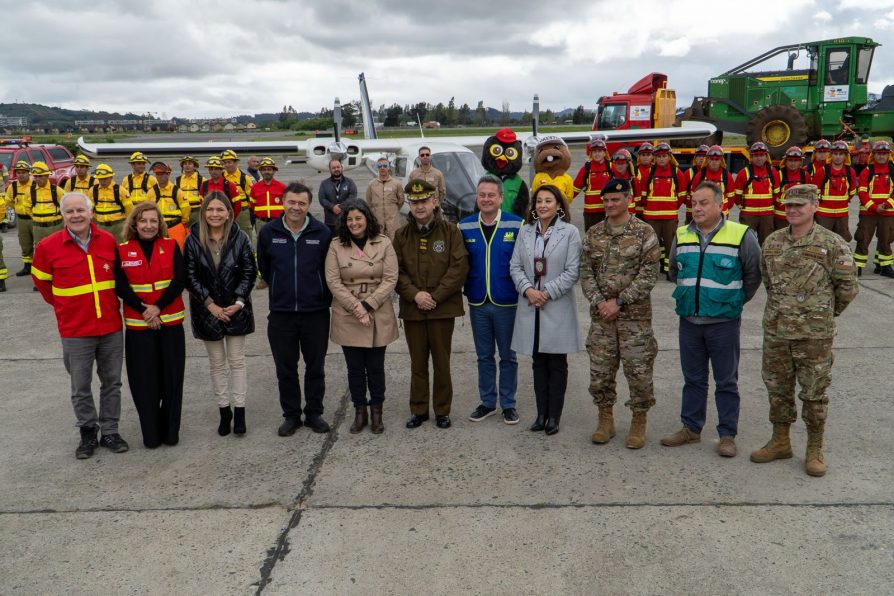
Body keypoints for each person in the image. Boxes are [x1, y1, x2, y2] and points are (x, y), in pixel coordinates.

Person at [751, 184, 858, 477]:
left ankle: (814, 448)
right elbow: (767, 280)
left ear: (814, 207)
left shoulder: (832, 243)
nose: (793, 210)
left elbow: (847, 287)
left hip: (814, 336)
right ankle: (780, 440)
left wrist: (821, 313)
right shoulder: (772, 242)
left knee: (814, 392)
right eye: (789, 205)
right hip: (777, 331)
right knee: (777, 388)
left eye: (799, 205)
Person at [660, 181, 762, 457]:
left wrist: (734, 302)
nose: (697, 208)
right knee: (693, 378)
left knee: (726, 380)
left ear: (720, 205)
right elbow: (673, 271)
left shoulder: (741, 234)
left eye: (704, 203)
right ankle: (691, 428)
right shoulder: (682, 234)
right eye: (694, 203)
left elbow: (753, 274)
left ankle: (727, 434)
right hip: (689, 322)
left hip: (723, 323)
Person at [31, 192, 129, 459]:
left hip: (109, 326)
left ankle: (110, 431)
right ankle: (88, 432)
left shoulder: (108, 240)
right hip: (75, 330)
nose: (76, 216)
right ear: (62, 215)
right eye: (70, 211)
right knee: (80, 387)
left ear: (91, 212)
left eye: (80, 211)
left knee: (112, 383)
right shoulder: (47, 247)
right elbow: (42, 284)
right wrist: (65, 308)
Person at [580, 178, 659, 448]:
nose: (609, 204)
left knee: (638, 373)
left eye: (615, 199)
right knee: (600, 372)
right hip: (602, 319)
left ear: (628, 199)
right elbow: (585, 272)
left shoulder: (643, 232)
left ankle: (638, 421)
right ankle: (605, 419)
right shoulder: (594, 233)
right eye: (606, 200)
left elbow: (649, 274)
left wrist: (620, 301)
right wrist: (600, 301)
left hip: (634, 320)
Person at [257, 182, 333, 435]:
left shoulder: (322, 233)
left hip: (316, 313)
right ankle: (291, 415)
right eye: (292, 202)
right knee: (286, 369)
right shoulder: (269, 232)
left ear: (308, 205)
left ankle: (314, 413)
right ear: (283, 202)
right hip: (282, 314)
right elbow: (265, 269)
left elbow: (328, 270)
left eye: (301, 203)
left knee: (315, 367)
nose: (296, 207)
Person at [393, 179, 469, 429]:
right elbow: (396, 271)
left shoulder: (451, 232)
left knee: (441, 361)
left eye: (424, 201)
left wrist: (434, 297)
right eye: (414, 202)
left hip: (441, 308)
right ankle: (418, 409)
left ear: (435, 202)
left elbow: (458, 268)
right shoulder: (401, 235)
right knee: (417, 363)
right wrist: (415, 295)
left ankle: (442, 410)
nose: (419, 206)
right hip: (413, 308)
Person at [509, 184, 581, 435]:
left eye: (548, 201)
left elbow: (573, 271)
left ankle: (554, 416)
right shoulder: (525, 231)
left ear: (559, 205)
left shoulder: (570, 233)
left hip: (556, 305)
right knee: (538, 361)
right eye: (538, 201)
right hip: (530, 305)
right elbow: (515, 266)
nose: (542, 205)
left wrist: (546, 293)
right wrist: (529, 290)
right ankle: (540, 414)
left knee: (556, 362)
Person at [183, 191, 256, 437]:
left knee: (237, 362)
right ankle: (225, 412)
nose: (215, 214)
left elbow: (249, 272)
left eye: (219, 210)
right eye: (210, 210)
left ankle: (241, 412)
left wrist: (238, 302)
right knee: (217, 364)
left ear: (228, 213)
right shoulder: (192, 239)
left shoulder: (241, 238)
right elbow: (190, 276)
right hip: (207, 312)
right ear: (204, 212)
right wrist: (210, 304)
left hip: (236, 309)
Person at [114, 202, 186, 448]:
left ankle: (171, 431)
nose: (148, 225)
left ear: (160, 224)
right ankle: (151, 433)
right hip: (138, 327)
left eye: (153, 221)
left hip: (170, 323)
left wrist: (158, 307)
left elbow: (180, 279)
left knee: (172, 380)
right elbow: (121, 286)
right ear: (134, 223)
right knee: (145, 383)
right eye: (143, 221)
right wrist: (146, 310)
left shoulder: (170, 245)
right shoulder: (122, 250)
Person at [325, 200, 398, 434]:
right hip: (348, 313)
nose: (354, 223)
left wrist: (368, 305)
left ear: (367, 218)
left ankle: (377, 412)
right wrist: (357, 307)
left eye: (358, 218)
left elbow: (390, 278)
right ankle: (360, 412)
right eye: (350, 219)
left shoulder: (384, 242)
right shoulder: (336, 245)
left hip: (377, 310)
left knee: (376, 367)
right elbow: (333, 281)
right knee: (354, 367)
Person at [459, 175, 523, 425]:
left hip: (507, 301)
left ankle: (508, 404)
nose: (486, 199)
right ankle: (488, 402)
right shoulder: (464, 226)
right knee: (484, 356)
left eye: (490, 195)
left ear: (500, 197)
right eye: (481, 195)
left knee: (508, 356)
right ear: (477, 197)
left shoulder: (516, 224)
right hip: (477, 302)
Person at [640, 142, 688, 276]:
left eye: (664, 156)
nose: (661, 159)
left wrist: (672, 207)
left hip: (670, 217)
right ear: (655, 157)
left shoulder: (676, 172)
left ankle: (669, 271)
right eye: (659, 156)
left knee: (670, 245)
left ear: (669, 157)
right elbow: (643, 194)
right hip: (651, 217)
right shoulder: (648, 173)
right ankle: (651, 271)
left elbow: (682, 194)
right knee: (651, 245)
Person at [855, 141, 894, 276]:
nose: (882, 156)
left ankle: (885, 266)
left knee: (886, 239)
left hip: (888, 213)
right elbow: (862, 192)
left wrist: (887, 205)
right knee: (863, 239)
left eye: (884, 154)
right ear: (874, 154)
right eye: (879, 154)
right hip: (868, 213)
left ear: (888, 155)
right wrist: (874, 207)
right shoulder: (868, 170)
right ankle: (858, 266)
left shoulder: (893, 170)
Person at [734, 141, 780, 245]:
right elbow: (737, 197)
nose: (759, 158)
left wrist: (768, 207)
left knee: (766, 243)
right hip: (748, 215)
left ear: (766, 156)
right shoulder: (744, 173)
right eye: (756, 156)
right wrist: (744, 208)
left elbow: (776, 194)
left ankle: (764, 261)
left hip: (767, 215)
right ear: (751, 157)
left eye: (762, 155)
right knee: (746, 243)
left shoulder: (773, 172)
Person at [816, 140, 857, 242]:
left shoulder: (850, 172)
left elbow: (852, 192)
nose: (838, 156)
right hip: (824, 215)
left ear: (845, 156)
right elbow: (815, 191)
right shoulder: (822, 171)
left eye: (841, 154)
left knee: (842, 242)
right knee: (822, 241)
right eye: (835, 154)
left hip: (842, 215)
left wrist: (842, 202)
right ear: (831, 155)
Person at [573, 137, 612, 231]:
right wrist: (562, 201)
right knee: (590, 237)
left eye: (600, 151)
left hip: (607, 210)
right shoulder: (586, 168)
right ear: (591, 153)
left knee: (607, 237)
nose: (597, 154)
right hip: (590, 212)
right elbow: (574, 189)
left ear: (604, 152)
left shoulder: (611, 167)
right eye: (594, 151)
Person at [149, 162, 191, 249]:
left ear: (168, 174)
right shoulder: (151, 192)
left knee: (179, 250)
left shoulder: (177, 191)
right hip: (158, 227)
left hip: (175, 226)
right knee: (159, 251)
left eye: (162, 174)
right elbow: (147, 210)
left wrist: (183, 222)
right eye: (157, 174)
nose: (159, 176)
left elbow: (186, 209)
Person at [688, 145, 736, 216]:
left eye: (717, 159)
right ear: (707, 160)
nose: (714, 162)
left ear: (721, 160)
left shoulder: (727, 176)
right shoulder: (700, 175)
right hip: (704, 216)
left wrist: (723, 208)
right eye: (712, 159)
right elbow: (693, 197)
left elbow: (731, 200)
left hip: (721, 216)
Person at [91, 163, 133, 242]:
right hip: (101, 227)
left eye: (105, 179)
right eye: (100, 179)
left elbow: (129, 211)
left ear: (111, 177)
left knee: (121, 249)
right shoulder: (93, 191)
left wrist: (129, 227)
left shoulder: (121, 190)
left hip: (118, 227)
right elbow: (90, 211)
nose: (102, 181)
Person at [365, 157, 404, 239]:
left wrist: (392, 209)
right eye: (379, 166)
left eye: (385, 166)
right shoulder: (371, 184)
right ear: (377, 168)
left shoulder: (396, 184)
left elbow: (401, 200)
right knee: (378, 243)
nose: (382, 168)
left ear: (389, 167)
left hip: (393, 221)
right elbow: (369, 202)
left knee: (394, 242)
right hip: (377, 220)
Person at [29, 161, 65, 249]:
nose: (37, 179)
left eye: (40, 176)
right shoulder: (30, 191)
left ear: (47, 176)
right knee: (40, 250)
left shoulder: (57, 190)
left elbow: (67, 208)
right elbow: (28, 208)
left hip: (54, 227)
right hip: (38, 228)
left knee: (56, 250)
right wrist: (37, 218)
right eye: (35, 176)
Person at [318, 159, 358, 236]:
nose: (336, 169)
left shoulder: (350, 182)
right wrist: (332, 207)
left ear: (341, 168)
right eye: (333, 168)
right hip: (330, 223)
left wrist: (341, 207)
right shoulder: (324, 183)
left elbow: (353, 197)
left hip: (347, 221)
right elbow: (322, 199)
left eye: (338, 167)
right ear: (330, 169)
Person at [6, 161, 33, 277]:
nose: (21, 175)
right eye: (18, 172)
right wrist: (18, 209)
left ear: (29, 173)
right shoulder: (13, 186)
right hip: (21, 220)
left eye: (23, 172)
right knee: (25, 244)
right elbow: (9, 201)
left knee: (39, 244)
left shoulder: (34, 185)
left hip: (34, 219)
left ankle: (39, 267)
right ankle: (27, 267)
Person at [220, 149, 254, 237]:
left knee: (245, 235)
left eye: (229, 162)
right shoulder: (221, 177)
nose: (227, 165)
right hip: (225, 212)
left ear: (236, 162)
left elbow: (251, 197)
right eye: (225, 163)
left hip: (242, 213)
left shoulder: (244, 178)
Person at [249, 157, 286, 233]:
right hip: (261, 222)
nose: (266, 172)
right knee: (262, 243)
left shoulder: (282, 187)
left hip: (278, 222)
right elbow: (252, 207)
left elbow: (287, 206)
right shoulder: (255, 188)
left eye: (269, 169)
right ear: (260, 171)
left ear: (274, 171)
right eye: (264, 170)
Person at [777, 146, 809, 231]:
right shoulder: (779, 175)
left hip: (800, 216)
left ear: (800, 162)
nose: (793, 163)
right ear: (786, 161)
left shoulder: (805, 175)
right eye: (790, 160)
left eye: (796, 160)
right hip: (782, 216)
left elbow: (809, 195)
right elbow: (774, 195)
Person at [175, 156, 204, 227]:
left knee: (196, 229)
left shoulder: (202, 180)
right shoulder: (177, 180)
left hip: (196, 210)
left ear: (195, 167)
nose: (187, 165)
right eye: (185, 164)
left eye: (190, 163)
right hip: (182, 210)